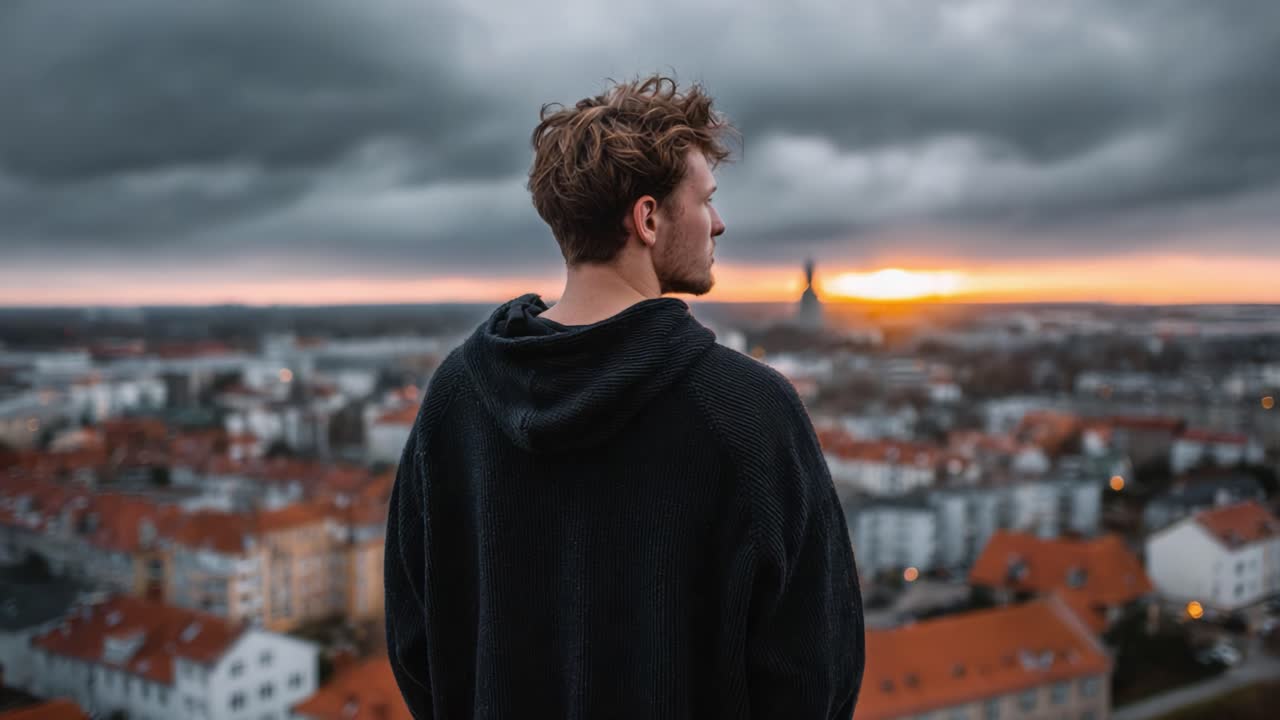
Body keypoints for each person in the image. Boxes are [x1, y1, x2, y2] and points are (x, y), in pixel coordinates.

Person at [385, 74, 864, 719]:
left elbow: (416, 644)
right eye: (705, 201)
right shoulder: (749, 411)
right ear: (647, 218)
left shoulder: (456, 397)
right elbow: (816, 674)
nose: (719, 224)